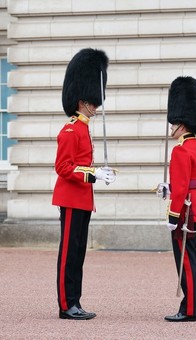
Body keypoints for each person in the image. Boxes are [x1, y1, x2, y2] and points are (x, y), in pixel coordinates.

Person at [52, 48, 116, 320]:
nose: (96, 106)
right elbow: (63, 167)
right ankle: (66, 305)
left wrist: (98, 172)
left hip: (83, 200)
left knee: (78, 254)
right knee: (68, 254)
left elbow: (81, 165)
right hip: (70, 198)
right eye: (93, 101)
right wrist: (93, 174)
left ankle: (75, 301)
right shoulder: (70, 130)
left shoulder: (84, 128)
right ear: (82, 101)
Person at [158, 76, 196, 322]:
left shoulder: (180, 150)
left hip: (186, 212)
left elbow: (180, 188)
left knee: (186, 261)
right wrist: (169, 188)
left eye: (174, 124)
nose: (172, 128)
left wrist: (172, 215)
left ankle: (189, 310)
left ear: (181, 124)